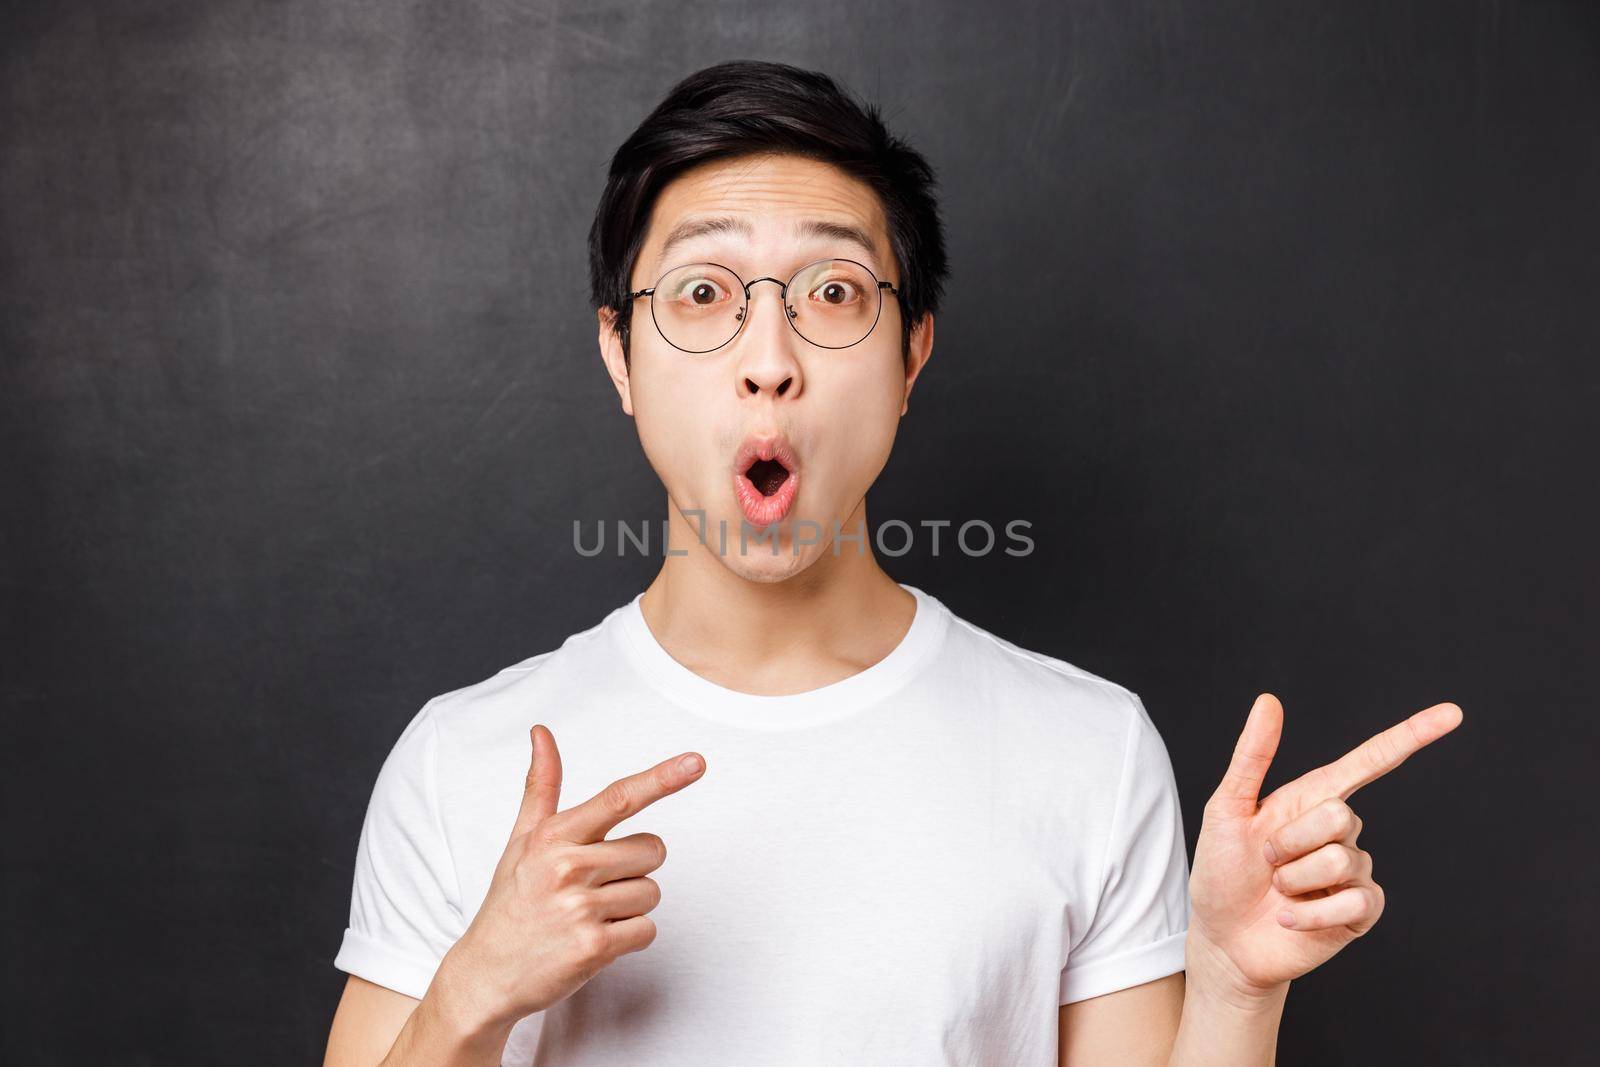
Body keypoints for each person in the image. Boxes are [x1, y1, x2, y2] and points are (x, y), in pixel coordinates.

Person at [322, 60, 1461, 1066]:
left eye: (831, 294)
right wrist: (467, 996)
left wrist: (1229, 988)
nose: (768, 361)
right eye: (704, 295)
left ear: (912, 352)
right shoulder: (458, 763)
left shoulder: (1088, 747)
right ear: (619, 351)